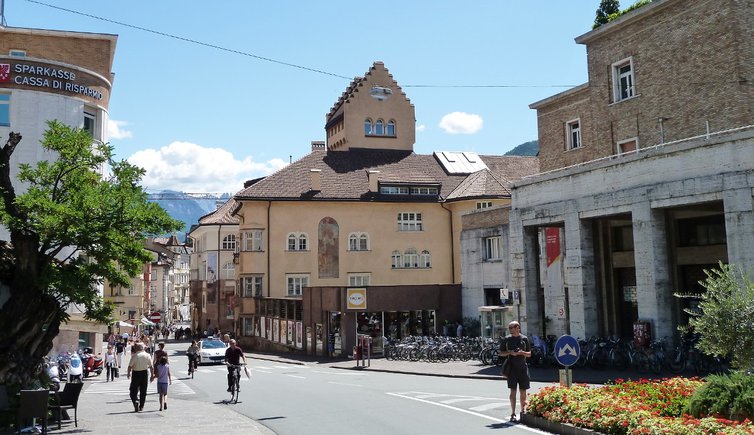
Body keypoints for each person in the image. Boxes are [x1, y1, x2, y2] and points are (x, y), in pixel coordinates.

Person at [500, 320, 531, 422]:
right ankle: (513, 412)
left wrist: (522, 352)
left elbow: (529, 354)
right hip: (512, 369)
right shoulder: (507, 339)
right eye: (509, 328)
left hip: (523, 368)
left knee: (523, 391)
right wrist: (510, 352)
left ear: (518, 327)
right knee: (513, 391)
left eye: (512, 328)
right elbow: (501, 353)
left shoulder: (524, 339)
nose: (510, 330)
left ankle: (523, 410)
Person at [127, 343, 154, 412]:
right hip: (144, 373)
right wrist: (152, 375)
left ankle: (135, 400)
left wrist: (128, 373)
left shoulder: (135, 356)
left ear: (137, 349)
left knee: (133, 390)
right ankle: (141, 406)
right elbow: (151, 367)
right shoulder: (147, 355)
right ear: (143, 348)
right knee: (143, 391)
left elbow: (130, 366)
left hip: (136, 373)